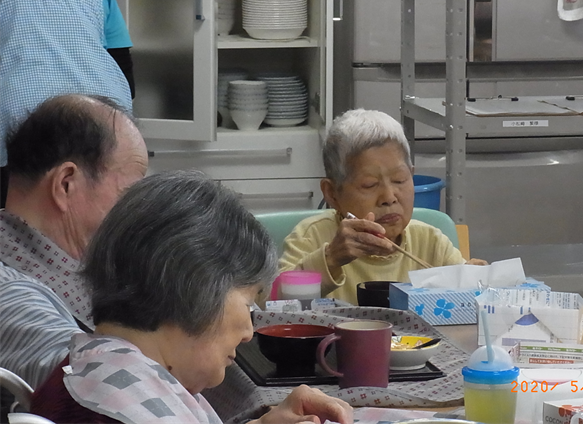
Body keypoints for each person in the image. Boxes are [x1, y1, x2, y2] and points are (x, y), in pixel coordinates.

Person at [31, 171, 353, 424]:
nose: (248, 332)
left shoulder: (96, 371)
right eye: (246, 302)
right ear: (197, 290)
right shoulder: (120, 412)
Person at [0, 94, 148, 389]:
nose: (137, 214)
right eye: (129, 195)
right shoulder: (11, 292)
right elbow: (96, 384)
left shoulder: (89, 262)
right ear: (66, 183)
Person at [279, 109, 487, 304]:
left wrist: (475, 281)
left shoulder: (431, 243)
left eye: (399, 180)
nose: (389, 197)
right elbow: (269, 306)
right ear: (332, 194)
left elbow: (466, 304)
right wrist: (331, 259)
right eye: (369, 185)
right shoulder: (312, 236)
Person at [0, 0, 135, 204]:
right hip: (105, 128)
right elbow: (125, 74)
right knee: (99, 234)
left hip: (17, 133)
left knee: (17, 235)